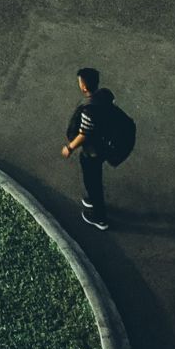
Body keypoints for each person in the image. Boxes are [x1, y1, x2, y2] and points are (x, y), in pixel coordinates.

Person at [63, 67, 117, 230]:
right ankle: (93, 199)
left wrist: (69, 148)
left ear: (84, 87)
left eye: (80, 82)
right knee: (93, 179)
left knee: (93, 181)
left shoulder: (89, 109)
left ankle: (100, 218)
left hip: (92, 152)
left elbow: (84, 134)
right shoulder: (105, 95)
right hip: (102, 145)